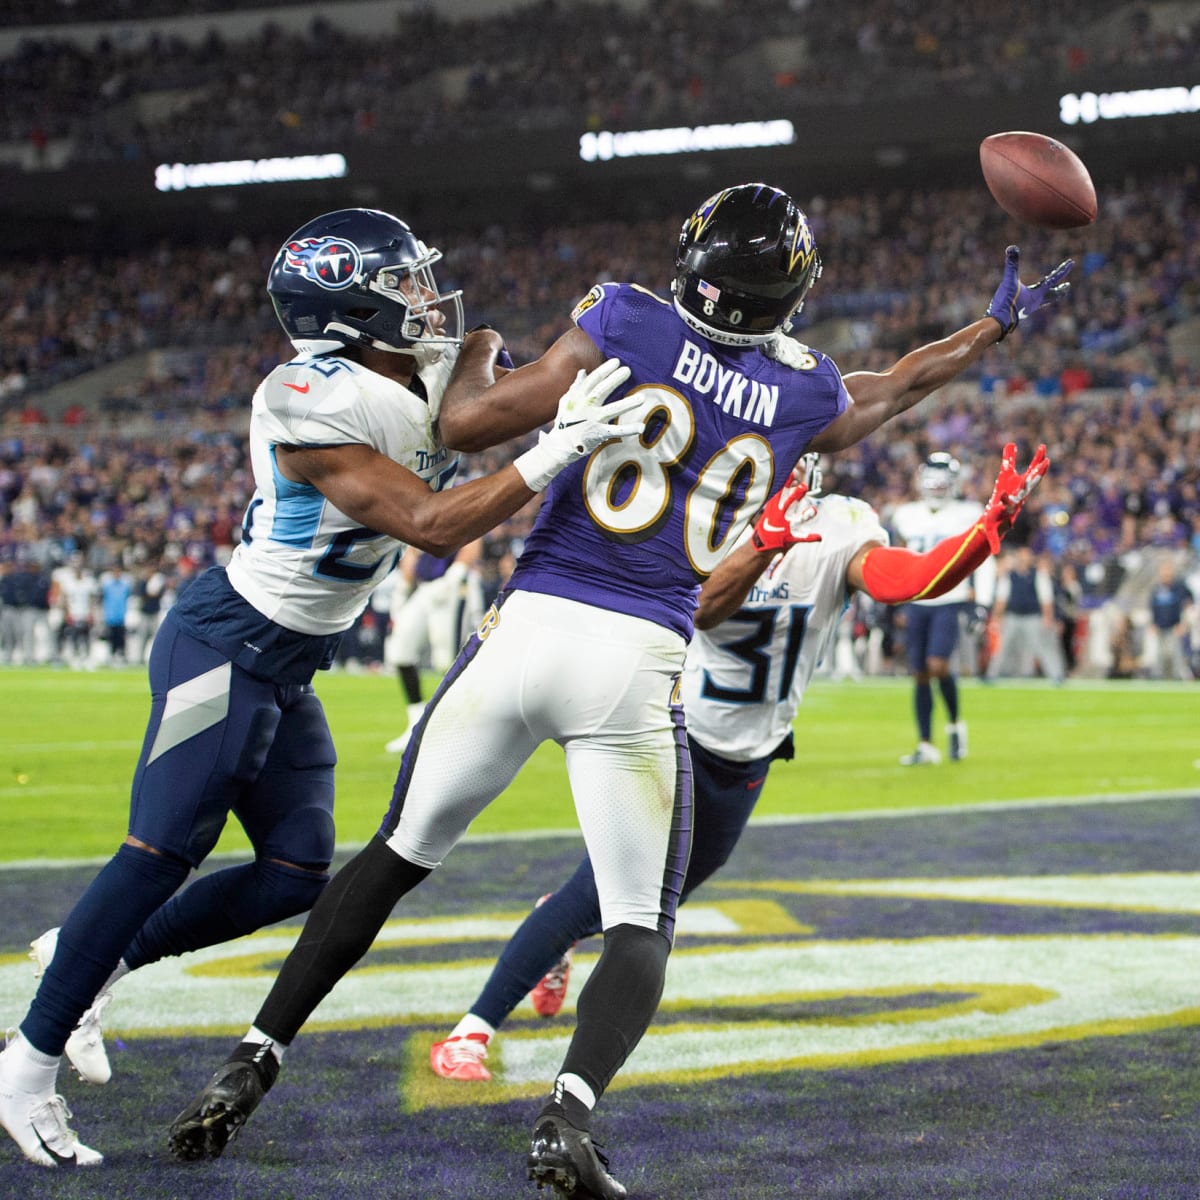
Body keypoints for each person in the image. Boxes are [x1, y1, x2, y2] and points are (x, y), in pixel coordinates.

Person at [166, 182, 1072, 1199]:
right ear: (791, 291)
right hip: (637, 661)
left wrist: (479, 348)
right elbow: (891, 388)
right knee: (643, 920)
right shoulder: (806, 392)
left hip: (524, 634)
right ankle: (568, 1117)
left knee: (390, 859)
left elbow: (465, 422)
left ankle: (253, 1057)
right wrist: (990, 326)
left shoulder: (624, 316)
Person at [0, 206, 640, 1170]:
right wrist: (550, 451)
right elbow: (428, 522)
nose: (427, 296)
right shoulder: (308, 395)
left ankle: (90, 962)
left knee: (298, 868)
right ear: (347, 310)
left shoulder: (411, 371)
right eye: (404, 285)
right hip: (226, 642)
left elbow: (473, 355)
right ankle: (25, 1067)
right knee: (158, 850)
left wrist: (488, 351)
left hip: (293, 660)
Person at [428, 443, 1048, 1083]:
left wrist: (985, 533)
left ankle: (557, 931)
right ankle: (470, 1031)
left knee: (642, 905)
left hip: (750, 755)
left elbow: (909, 579)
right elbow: (699, 611)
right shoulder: (704, 520)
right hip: (670, 734)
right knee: (615, 903)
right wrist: (762, 546)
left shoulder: (839, 526)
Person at [890, 453, 996, 764]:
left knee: (938, 665)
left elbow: (984, 558)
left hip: (951, 597)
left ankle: (953, 725)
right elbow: (896, 556)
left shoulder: (969, 512)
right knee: (920, 673)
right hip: (917, 599)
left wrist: (983, 603)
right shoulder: (905, 514)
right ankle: (925, 744)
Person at [382, 539, 486, 753]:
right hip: (424, 585)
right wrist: (404, 583)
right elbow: (411, 543)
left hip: (452, 583)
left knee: (448, 658)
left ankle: (459, 729)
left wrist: (457, 572)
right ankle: (416, 724)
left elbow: (474, 538)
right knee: (400, 650)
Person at [987, 543, 1066, 683]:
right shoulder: (1009, 575)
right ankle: (991, 675)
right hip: (1012, 616)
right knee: (1002, 646)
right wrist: (996, 617)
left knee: (1044, 646)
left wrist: (1047, 618)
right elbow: (1001, 599)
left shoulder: (1038, 574)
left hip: (1033, 617)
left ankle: (1056, 675)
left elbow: (1046, 599)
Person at [1141, 557, 1195, 680]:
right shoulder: (1156, 590)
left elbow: (1188, 605)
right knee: (1160, 657)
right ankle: (1160, 679)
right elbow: (1152, 608)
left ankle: (1178, 678)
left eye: (1168, 571)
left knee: (1176, 656)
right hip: (1160, 628)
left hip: (1174, 628)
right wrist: (1153, 624)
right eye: (1164, 572)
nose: (1166, 574)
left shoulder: (1179, 588)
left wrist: (1183, 624)